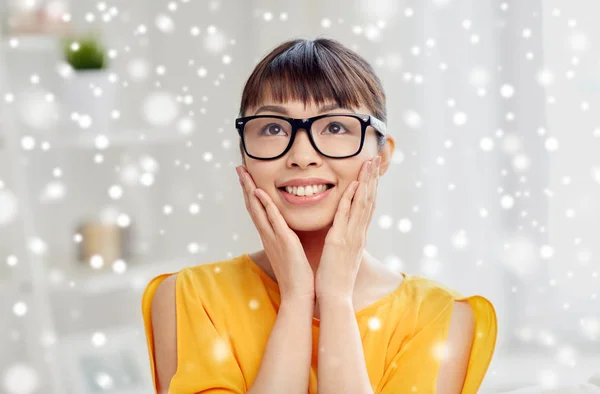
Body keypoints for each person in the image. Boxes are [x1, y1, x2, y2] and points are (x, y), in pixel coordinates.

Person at [141, 37, 497, 394]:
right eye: (273, 128)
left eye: (336, 127)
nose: (302, 155)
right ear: (244, 153)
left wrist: (336, 299)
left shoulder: (441, 316)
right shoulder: (188, 298)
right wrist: (296, 300)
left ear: (383, 155)